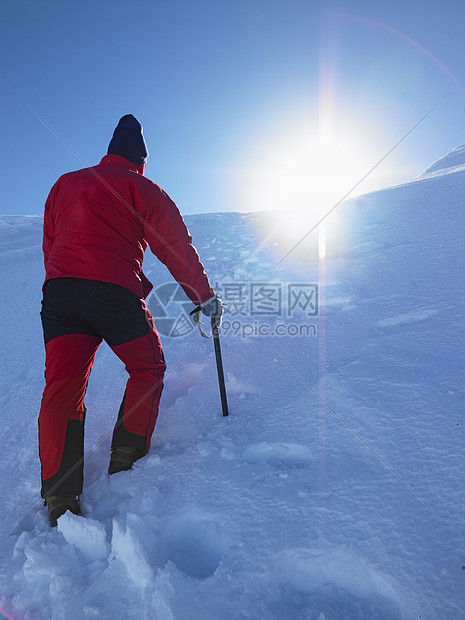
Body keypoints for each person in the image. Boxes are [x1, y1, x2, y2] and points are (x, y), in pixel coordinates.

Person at [39, 114, 222, 526]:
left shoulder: (65, 183)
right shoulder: (144, 188)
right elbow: (175, 247)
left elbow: (51, 244)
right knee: (147, 367)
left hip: (61, 293)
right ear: (141, 159)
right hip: (113, 293)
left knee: (62, 387)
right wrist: (203, 298)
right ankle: (125, 459)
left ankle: (59, 496)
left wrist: (67, 283)